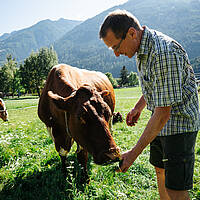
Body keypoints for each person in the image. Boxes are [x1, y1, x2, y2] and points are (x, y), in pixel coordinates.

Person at [99, 9, 200, 200]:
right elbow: (156, 85)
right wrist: (139, 106)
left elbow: (163, 114)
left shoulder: (163, 52)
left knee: (175, 189)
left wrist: (133, 154)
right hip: (160, 126)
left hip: (179, 125)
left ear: (131, 33)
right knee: (160, 172)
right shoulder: (140, 49)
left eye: (115, 46)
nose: (116, 54)